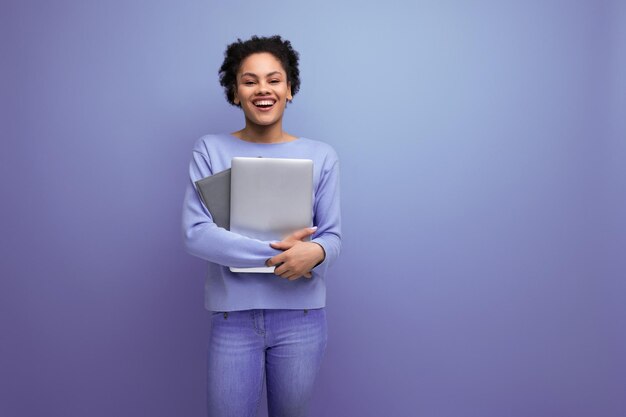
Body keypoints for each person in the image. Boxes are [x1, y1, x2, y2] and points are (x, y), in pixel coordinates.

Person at [181, 35, 342, 417]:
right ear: (235, 92)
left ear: (290, 89)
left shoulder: (321, 156)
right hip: (232, 319)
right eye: (249, 81)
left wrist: (316, 252)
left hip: (302, 320)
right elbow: (196, 233)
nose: (262, 89)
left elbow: (332, 238)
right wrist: (286, 255)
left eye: (274, 79)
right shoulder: (210, 149)